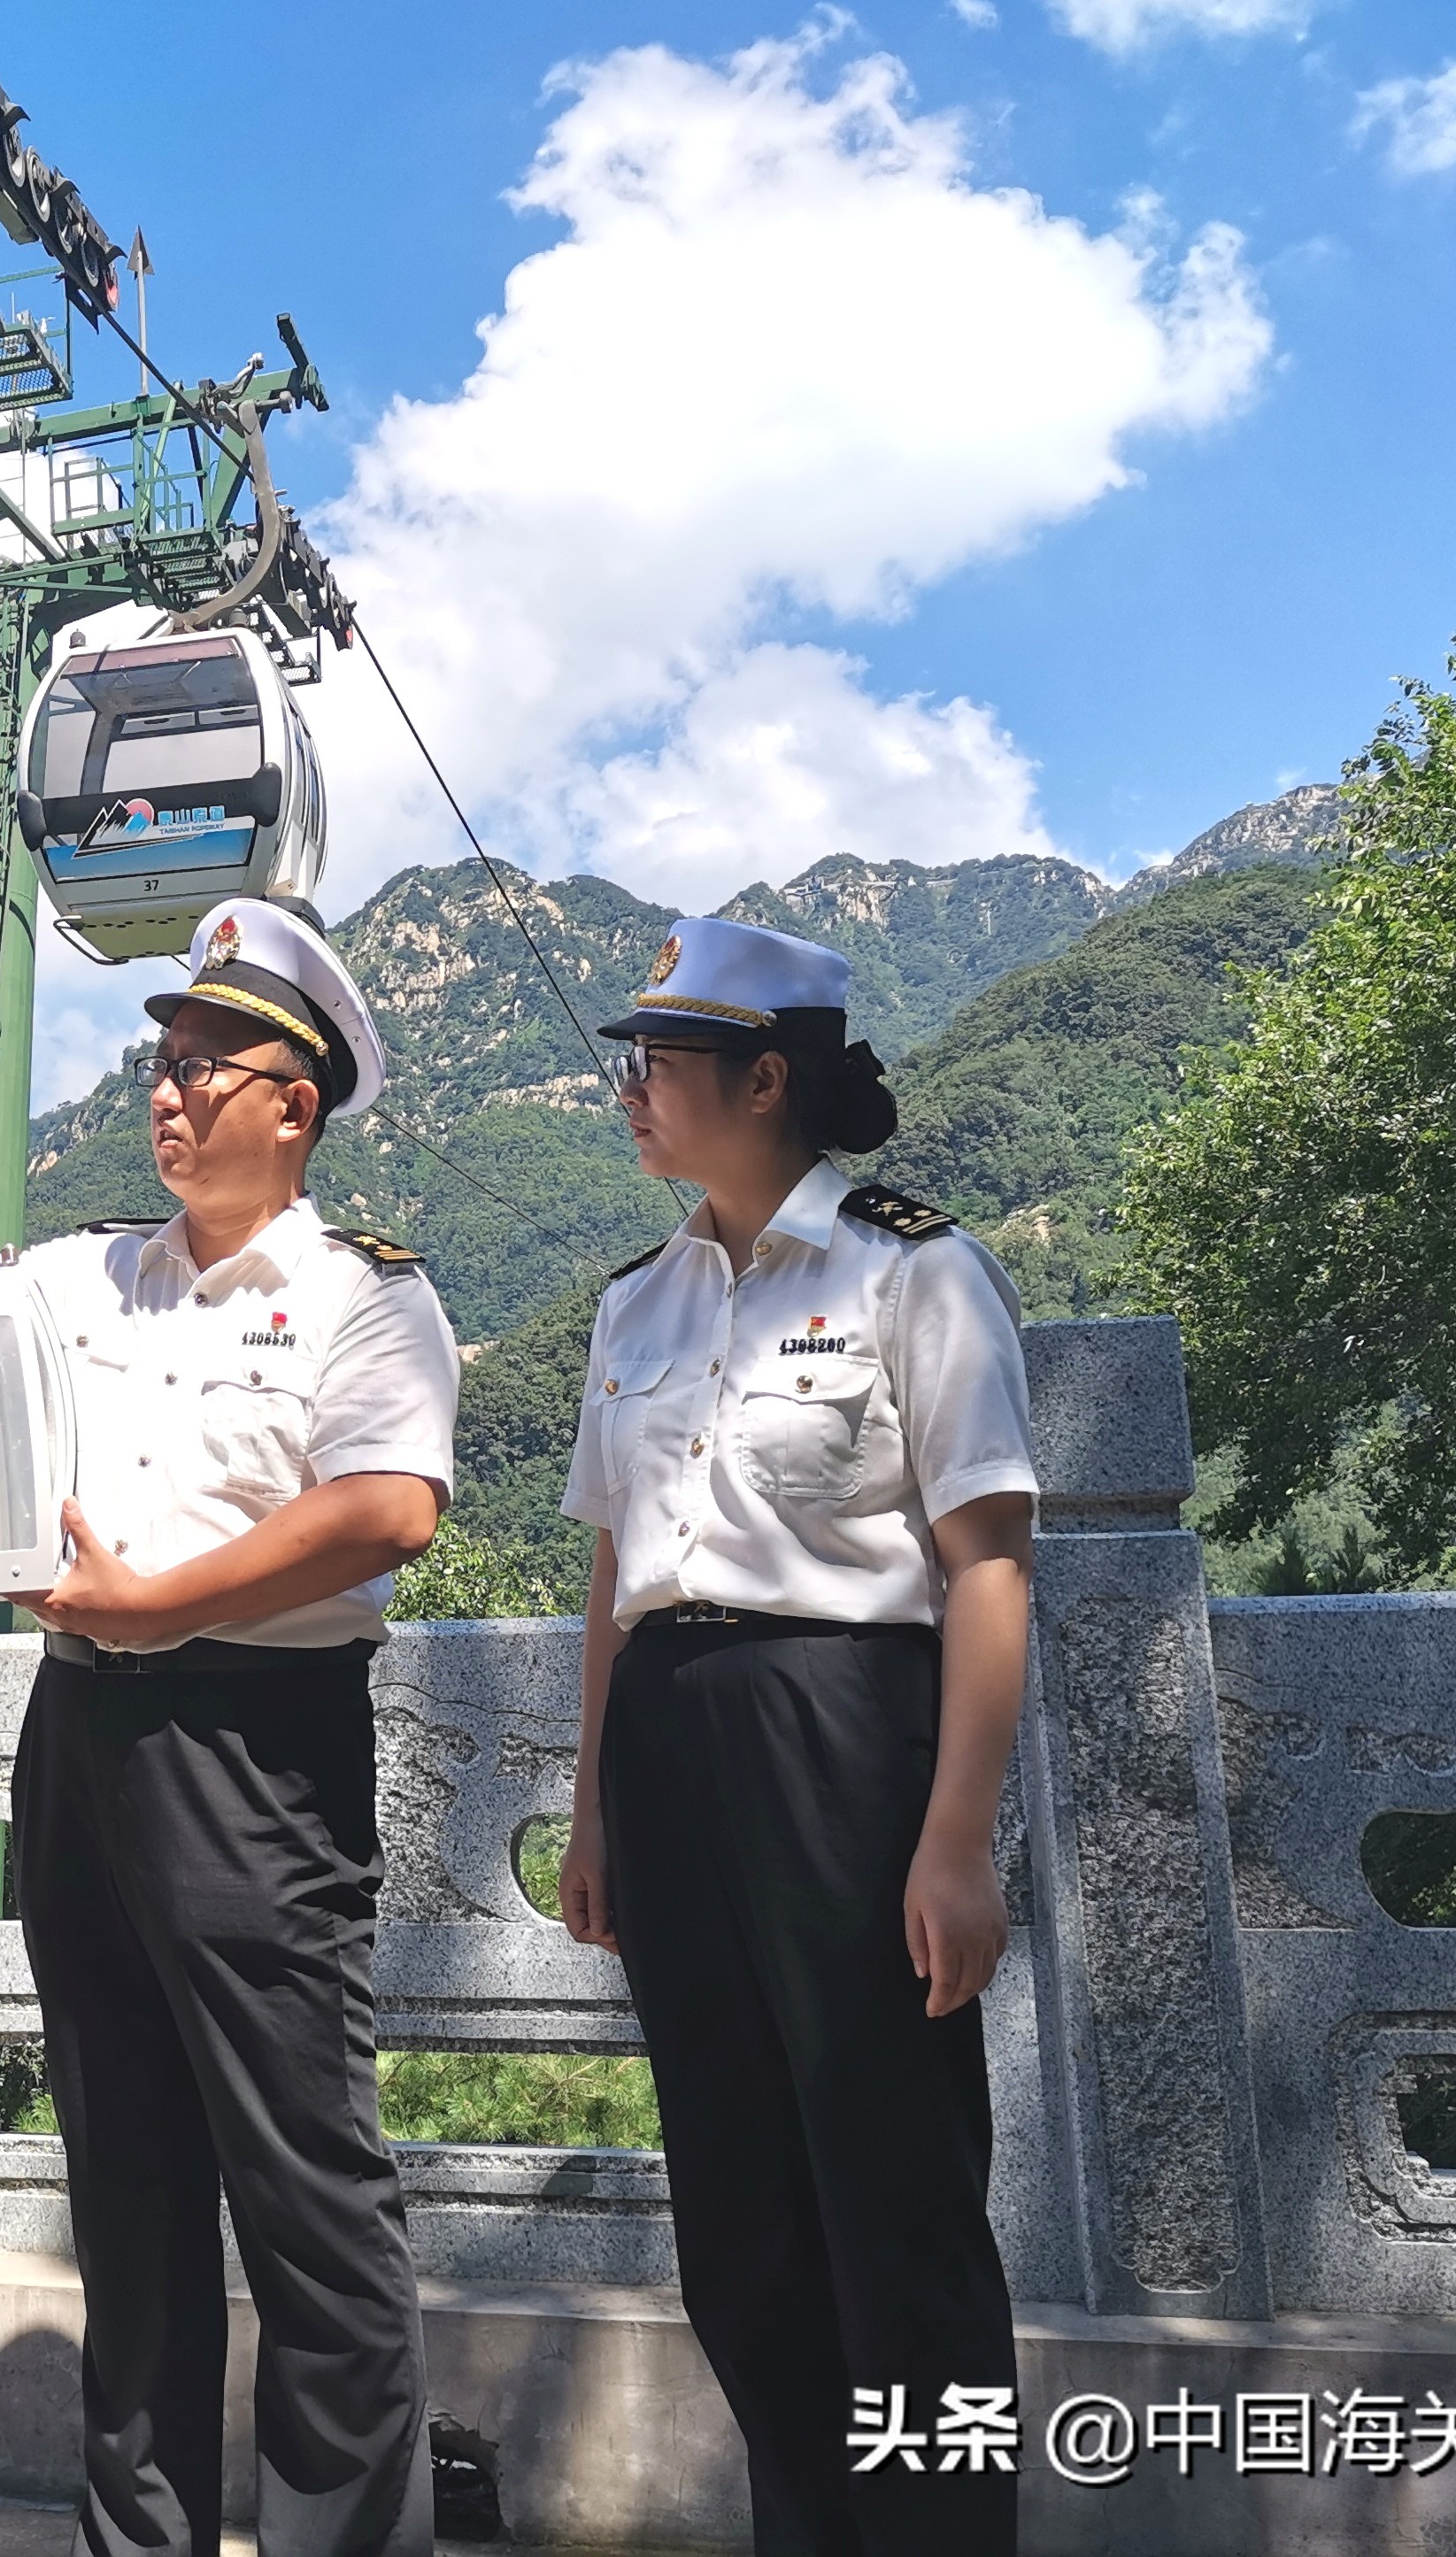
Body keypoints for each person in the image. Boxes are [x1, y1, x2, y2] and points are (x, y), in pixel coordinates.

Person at [0, 897, 458, 2557]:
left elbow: (390, 1509)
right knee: (123, 2180)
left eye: (211, 1065)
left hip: (257, 1754)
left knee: (303, 2184)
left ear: (298, 1101)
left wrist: (163, 1604)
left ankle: (339, 2535)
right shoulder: (79, 1276)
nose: (173, 1094)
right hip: (83, 1745)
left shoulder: (364, 1297)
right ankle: (145, 2539)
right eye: (163, 1064)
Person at [552, 917, 1038, 2557]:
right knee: (740, 2221)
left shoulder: (914, 1268)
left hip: (847, 1740)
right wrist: (596, 1805)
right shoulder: (636, 1305)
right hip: (673, 1749)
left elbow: (986, 1568)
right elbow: (618, 1573)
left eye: (659, 1064)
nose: (630, 1090)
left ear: (767, 1079)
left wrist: (957, 1838)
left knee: (890, 2199)